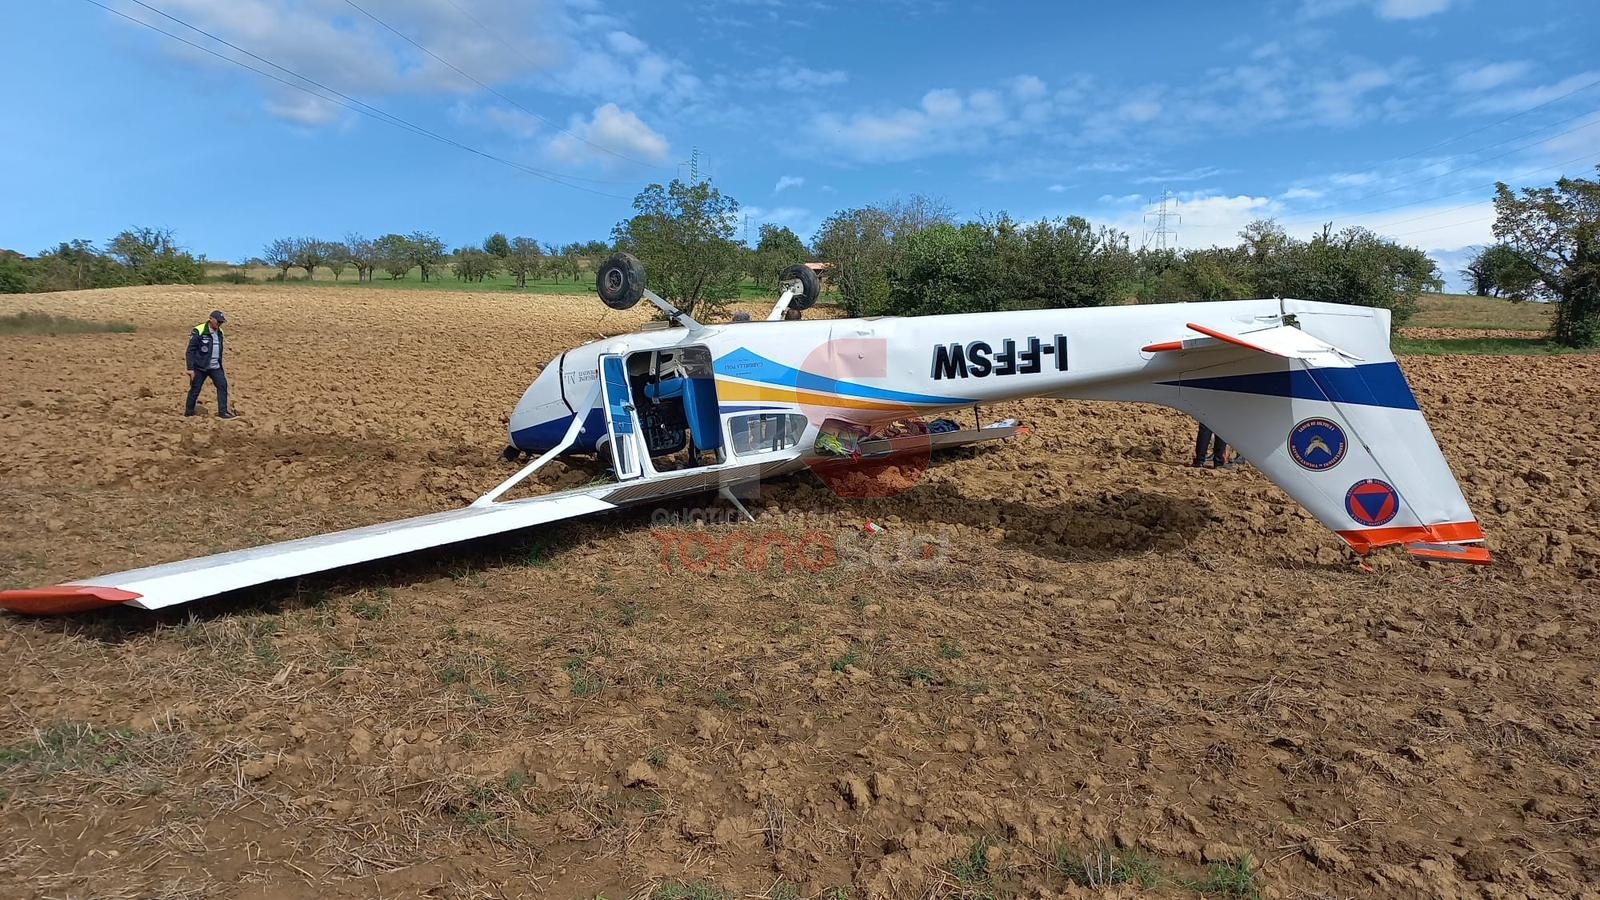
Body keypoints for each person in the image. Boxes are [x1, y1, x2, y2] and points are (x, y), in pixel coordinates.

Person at [185, 309, 235, 418]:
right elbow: (190, 350)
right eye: (218, 321)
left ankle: (223, 412)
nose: (220, 324)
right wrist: (190, 368)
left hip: (215, 367)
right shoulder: (199, 330)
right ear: (211, 319)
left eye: (221, 322)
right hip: (200, 367)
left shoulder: (220, 332)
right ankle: (189, 412)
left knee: (222, 386)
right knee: (195, 389)